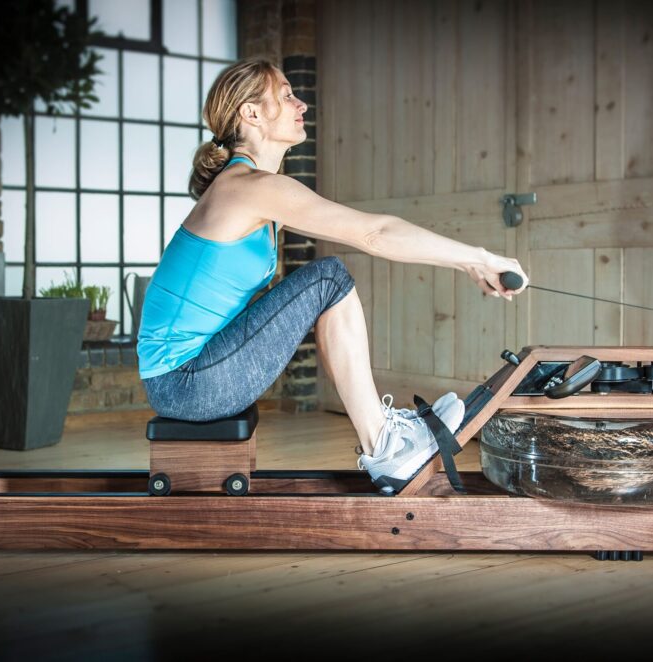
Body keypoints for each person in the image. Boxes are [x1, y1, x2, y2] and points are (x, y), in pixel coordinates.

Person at [139, 58, 529, 494]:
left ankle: (384, 435)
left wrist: (472, 262)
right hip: (187, 382)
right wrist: (478, 259)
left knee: (327, 280)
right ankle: (386, 445)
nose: (299, 102)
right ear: (250, 114)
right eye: (285, 95)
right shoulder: (249, 188)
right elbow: (375, 233)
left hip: (186, 378)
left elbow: (370, 232)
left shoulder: (254, 190)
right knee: (328, 279)